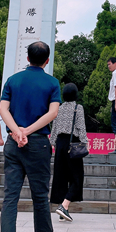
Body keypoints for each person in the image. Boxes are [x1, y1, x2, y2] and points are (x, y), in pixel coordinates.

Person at [0, 41, 62, 232]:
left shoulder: (13, 80)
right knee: (40, 197)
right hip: (38, 144)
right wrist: (28, 131)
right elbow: (53, 113)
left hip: (14, 143)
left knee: (10, 198)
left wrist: (17, 131)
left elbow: (3, 109)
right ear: (47, 60)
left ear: (27, 58)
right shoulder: (52, 83)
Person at [50, 83, 88, 222]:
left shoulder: (58, 108)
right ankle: (64, 206)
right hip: (73, 144)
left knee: (61, 177)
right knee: (77, 177)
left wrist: (52, 142)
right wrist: (84, 143)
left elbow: (54, 128)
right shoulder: (78, 108)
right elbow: (81, 127)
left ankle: (62, 209)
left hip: (60, 144)